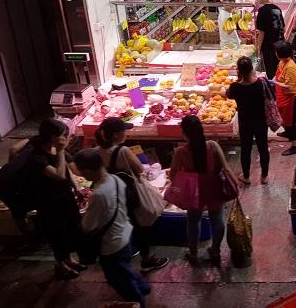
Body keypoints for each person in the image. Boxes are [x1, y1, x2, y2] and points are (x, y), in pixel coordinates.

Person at [75, 149, 151, 308]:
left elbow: (88, 226)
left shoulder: (99, 194)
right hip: (126, 232)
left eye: (81, 171)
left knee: (119, 279)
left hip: (112, 243)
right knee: (125, 268)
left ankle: (139, 302)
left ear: (87, 170)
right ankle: (144, 287)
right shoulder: (116, 179)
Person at [94, 118, 169, 272]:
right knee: (138, 223)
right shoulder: (123, 152)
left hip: (110, 194)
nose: (126, 133)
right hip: (128, 194)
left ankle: (122, 256)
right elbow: (140, 170)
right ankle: (146, 259)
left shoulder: (96, 152)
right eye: (123, 131)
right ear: (115, 135)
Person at [22, 119, 83, 280]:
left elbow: (69, 172)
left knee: (70, 229)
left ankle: (69, 259)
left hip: (65, 197)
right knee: (57, 234)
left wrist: (76, 187)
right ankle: (60, 265)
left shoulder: (55, 149)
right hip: (49, 202)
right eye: (63, 135)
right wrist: (62, 151)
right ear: (52, 137)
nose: (65, 138)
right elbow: (59, 174)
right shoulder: (36, 158)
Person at [169, 116, 229, 265]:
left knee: (193, 221)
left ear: (184, 133)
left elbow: (173, 174)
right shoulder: (213, 146)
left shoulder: (181, 152)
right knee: (217, 219)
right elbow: (225, 167)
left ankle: (194, 254)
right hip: (214, 186)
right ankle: (216, 251)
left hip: (193, 191)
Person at [228, 56, 270, 185]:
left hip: (245, 121)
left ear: (238, 71)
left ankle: (246, 176)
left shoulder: (235, 87)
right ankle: (264, 176)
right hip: (260, 119)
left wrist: (238, 80)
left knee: (246, 148)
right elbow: (269, 96)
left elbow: (227, 94)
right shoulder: (261, 83)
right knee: (263, 147)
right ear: (252, 69)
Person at [274, 41, 296, 156]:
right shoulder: (283, 62)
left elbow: (289, 86)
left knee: (290, 122)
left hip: (291, 98)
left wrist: (274, 82)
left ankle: (294, 146)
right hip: (283, 96)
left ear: (280, 54)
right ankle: (287, 132)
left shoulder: (290, 67)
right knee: (284, 118)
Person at [255, 0, 285, 79]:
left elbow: (261, 32)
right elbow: (283, 27)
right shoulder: (277, 8)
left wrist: (258, 48)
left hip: (269, 46)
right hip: (280, 43)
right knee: (280, 67)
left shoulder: (262, 10)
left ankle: (273, 88)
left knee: (271, 70)